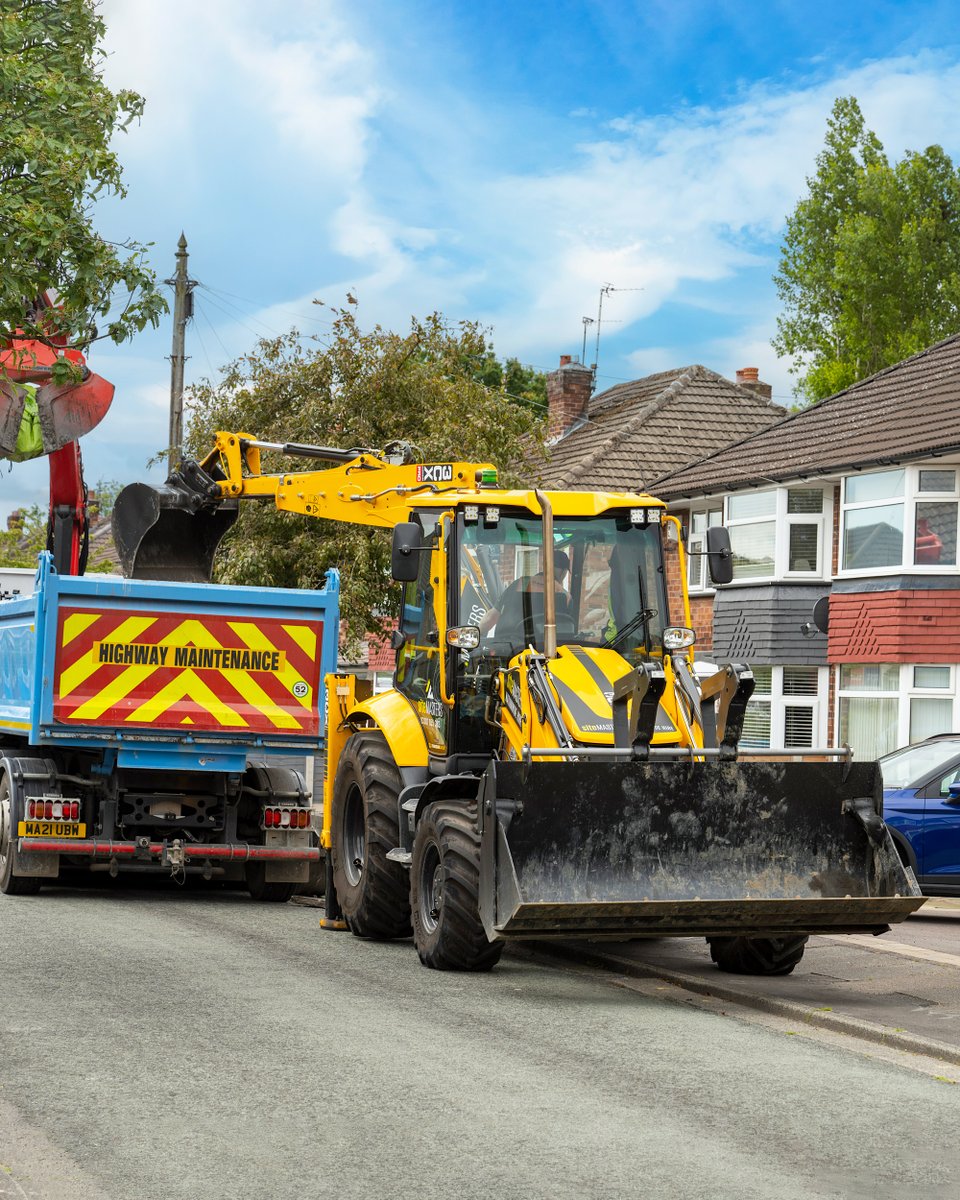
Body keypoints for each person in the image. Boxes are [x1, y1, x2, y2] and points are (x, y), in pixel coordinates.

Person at [479, 549, 570, 637]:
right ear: (564, 572)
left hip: (510, 647)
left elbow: (491, 617)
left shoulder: (520, 584)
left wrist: (476, 634)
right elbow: (568, 628)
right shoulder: (565, 596)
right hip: (546, 648)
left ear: (545, 565)